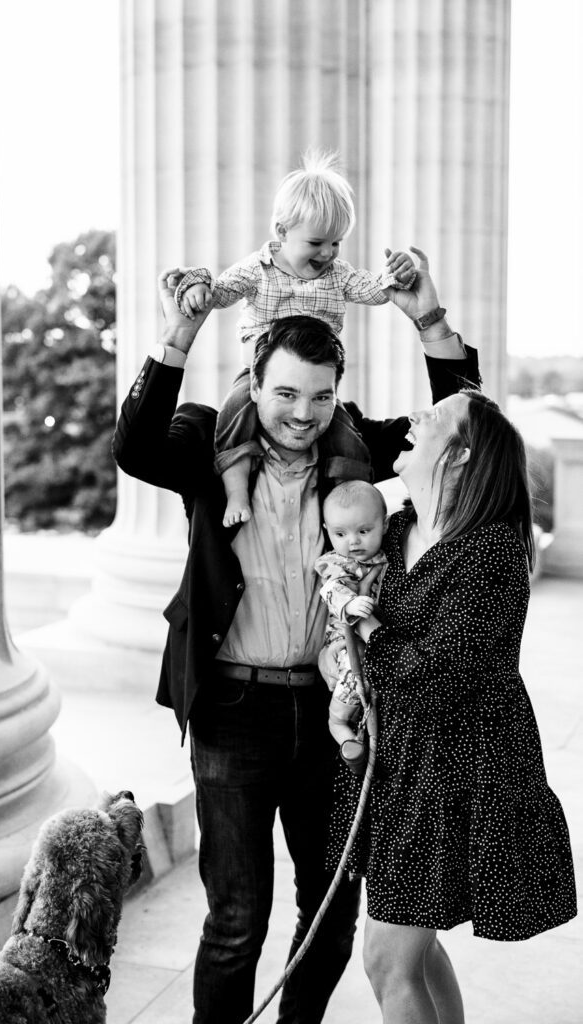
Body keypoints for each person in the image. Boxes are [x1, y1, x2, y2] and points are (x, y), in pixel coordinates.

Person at [111, 247, 480, 1024]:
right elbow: (134, 447)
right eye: (285, 392)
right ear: (254, 378)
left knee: (330, 913)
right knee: (235, 922)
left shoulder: (349, 452)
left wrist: (428, 319)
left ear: (336, 393)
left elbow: (463, 431)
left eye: (319, 395)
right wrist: (178, 334)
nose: (302, 413)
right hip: (231, 713)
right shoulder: (208, 443)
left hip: (329, 714)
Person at [322, 390, 578, 1024]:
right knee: (415, 947)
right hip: (403, 761)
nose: (415, 419)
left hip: (458, 768)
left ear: (459, 455)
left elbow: (431, 673)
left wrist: (367, 624)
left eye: (432, 418)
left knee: (387, 958)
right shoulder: (403, 527)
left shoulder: (490, 552)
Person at [173, 148, 416, 528]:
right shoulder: (259, 269)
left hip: (314, 376)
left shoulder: (338, 275)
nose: (328, 253)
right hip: (263, 375)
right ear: (283, 232)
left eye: (336, 243)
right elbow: (221, 293)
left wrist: (394, 276)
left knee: (348, 435)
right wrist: (197, 287)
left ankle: (344, 505)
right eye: (317, 242)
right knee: (233, 417)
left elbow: (372, 291)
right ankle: (236, 490)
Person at [314, 480, 389, 774]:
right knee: (350, 679)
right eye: (340, 533)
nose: (353, 541)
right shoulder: (337, 562)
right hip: (344, 639)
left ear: (383, 524)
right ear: (327, 530)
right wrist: (349, 604)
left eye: (363, 531)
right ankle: (344, 735)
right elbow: (331, 589)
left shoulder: (386, 558)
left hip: (378, 643)